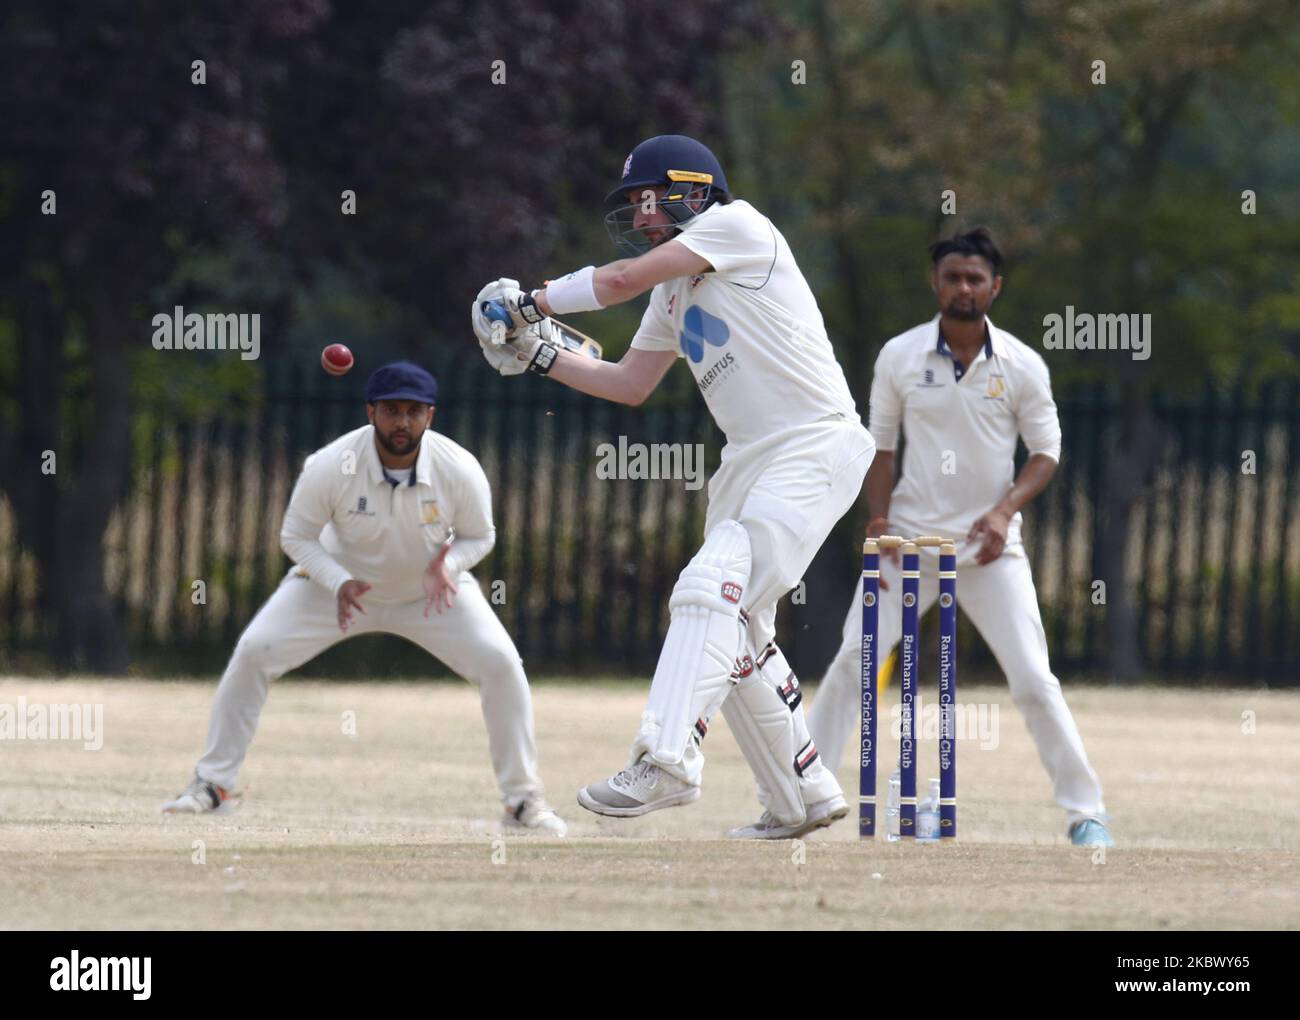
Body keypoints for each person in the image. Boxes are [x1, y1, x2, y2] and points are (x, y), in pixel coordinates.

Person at [470, 135, 874, 838]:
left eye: (648, 201)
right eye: (633, 207)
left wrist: (529, 303)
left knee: (706, 585)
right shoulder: (672, 289)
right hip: (750, 458)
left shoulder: (739, 226)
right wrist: (537, 354)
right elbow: (629, 383)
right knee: (737, 623)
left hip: (814, 440)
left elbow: (617, 281)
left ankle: (668, 758)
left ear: (692, 190)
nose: (641, 218)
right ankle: (801, 794)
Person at [161, 361, 566, 836]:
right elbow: (296, 536)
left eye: (413, 412)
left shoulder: (458, 467)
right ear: (370, 412)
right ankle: (214, 786)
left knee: (501, 663)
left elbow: (481, 536)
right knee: (254, 652)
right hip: (337, 591)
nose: (402, 423)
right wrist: (338, 580)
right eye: (392, 411)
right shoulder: (332, 464)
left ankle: (522, 800)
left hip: (428, 592)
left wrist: (448, 566)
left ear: (430, 416)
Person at [806, 228, 1113, 847]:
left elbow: (1046, 453)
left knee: (1032, 678)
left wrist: (1002, 513)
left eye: (976, 279)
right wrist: (879, 523)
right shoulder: (900, 356)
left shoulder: (1023, 364)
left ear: (995, 287)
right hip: (910, 544)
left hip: (990, 549)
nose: (964, 289)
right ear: (936, 283)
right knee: (852, 664)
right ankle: (800, 795)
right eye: (953, 277)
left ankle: (1086, 813)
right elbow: (881, 448)